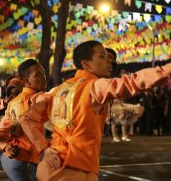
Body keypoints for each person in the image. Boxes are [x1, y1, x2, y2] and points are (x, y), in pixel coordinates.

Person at [19, 41, 171, 181]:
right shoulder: (94, 86)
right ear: (86, 64)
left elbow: (25, 118)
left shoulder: (57, 91)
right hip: (76, 171)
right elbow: (133, 82)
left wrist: (43, 149)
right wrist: (166, 71)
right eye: (102, 56)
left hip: (49, 167)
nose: (109, 61)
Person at [0, 59, 47, 181]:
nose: (43, 78)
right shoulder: (39, 98)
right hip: (29, 160)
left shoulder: (12, 104)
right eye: (37, 75)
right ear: (26, 81)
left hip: (10, 159)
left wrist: (6, 147)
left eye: (43, 74)